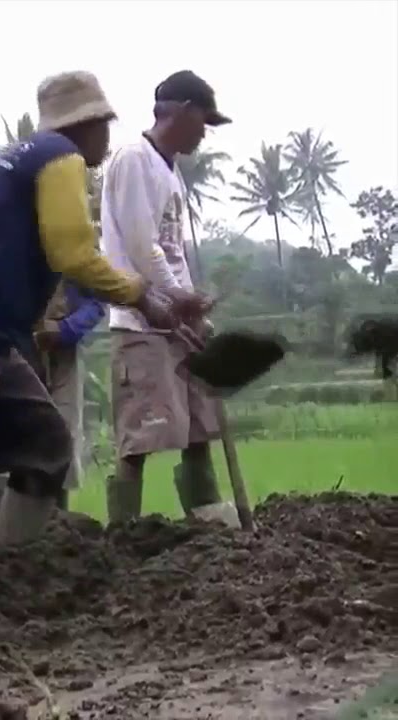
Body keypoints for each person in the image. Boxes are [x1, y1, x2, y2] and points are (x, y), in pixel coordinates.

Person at [0, 70, 211, 655]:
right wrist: (147, 299)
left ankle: (3, 580)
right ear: (89, 125)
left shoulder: (28, 162)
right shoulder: (58, 156)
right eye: (104, 125)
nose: (107, 138)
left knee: (45, 443)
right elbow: (73, 253)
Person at [100, 70, 238, 527]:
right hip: (142, 323)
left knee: (199, 426)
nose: (205, 132)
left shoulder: (168, 170)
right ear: (182, 112)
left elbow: (172, 250)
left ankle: (210, 525)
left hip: (176, 322)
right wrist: (181, 296)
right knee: (141, 436)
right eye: (204, 121)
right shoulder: (134, 159)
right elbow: (142, 246)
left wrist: (191, 305)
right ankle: (122, 536)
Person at [33, 280, 105, 508]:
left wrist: (66, 329)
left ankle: (59, 525)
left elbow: (96, 304)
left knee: (63, 436)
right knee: (18, 442)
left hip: (62, 355)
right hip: (13, 349)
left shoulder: (72, 253)